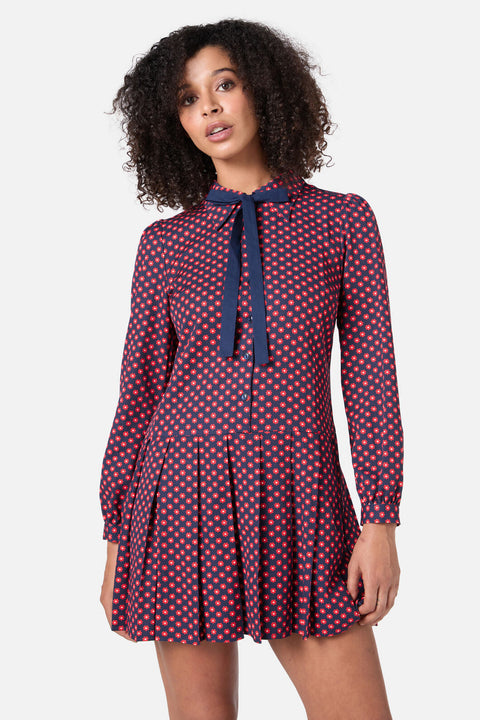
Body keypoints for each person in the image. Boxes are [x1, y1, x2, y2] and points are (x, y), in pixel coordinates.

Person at [99, 18, 403, 720]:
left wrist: (381, 520)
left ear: (264, 89)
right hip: (179, 498)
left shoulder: (343, 222)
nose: (208, 107)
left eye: (225, 84)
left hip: (303, 497)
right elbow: (139, 394)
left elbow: (371, 379)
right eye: (187, 98)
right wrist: (116, 538)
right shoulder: (164, 245)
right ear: (171, 121)